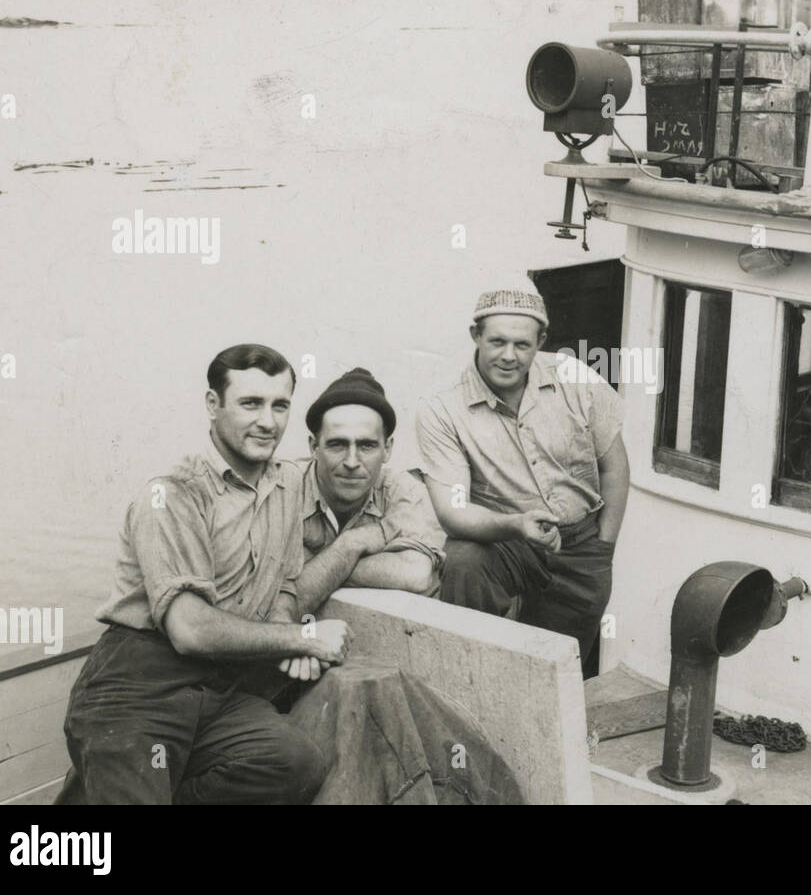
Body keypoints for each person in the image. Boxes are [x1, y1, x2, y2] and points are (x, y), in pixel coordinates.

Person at [59, 344, 351, 804]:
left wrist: (286, 633)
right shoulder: (173, 494)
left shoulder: (289, 483)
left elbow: (283, 584)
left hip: (218, 688)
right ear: (213, 405)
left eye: (280, 406)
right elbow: (190, 630)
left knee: (293, 764)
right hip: (138, 685)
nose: (268, 422)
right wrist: (303, 639)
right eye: (250, 403)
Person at [416, 289, 629, 668]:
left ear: (541, 341)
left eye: (522, 345)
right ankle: (469, 673)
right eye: (497, 341)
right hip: (503, 542)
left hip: (580, 547)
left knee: (557, 670)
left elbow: (614, 467)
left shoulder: (576, 379)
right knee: (464, 561)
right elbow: (453, 510)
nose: (508, 356)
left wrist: (603, 548)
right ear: (476, 335)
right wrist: (516, 525)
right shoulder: (442, 407)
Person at [288, 367, 444, 629]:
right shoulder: (285, 486)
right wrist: (350, 546)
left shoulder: (403, 490)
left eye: (366, 445)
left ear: (387, 449)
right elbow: (285, 605)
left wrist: (319, 567)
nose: (351, 462)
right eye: (337, 444)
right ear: (314, 446)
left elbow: (416, 574)